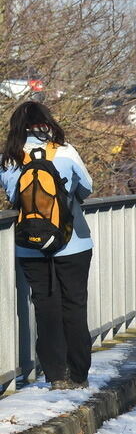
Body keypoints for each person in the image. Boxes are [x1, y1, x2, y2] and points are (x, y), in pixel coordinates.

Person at [1, 102, 94, 390]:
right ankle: (78, 373)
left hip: (30, 243)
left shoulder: (8, 158)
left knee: (44, 305)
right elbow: (87, 187)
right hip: (73, 241)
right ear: (47, 123)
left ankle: (56, 375)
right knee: (74, 303)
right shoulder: (65, 151)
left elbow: (13, 196)